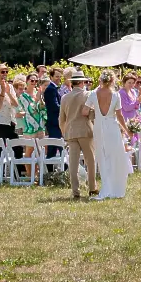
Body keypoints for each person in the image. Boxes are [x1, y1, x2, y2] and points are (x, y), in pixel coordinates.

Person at [88, 70, 130, 200]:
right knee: (115, 155)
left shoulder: (93, 94)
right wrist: (127, 130)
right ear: (112, 81)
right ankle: (115, 187)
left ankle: (106, 186)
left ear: (101, 80)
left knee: (102, 156)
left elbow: (85, 110)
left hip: (98, 127)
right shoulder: (116, 95)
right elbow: (119, 115)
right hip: (112, 127)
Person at [58, 70, 97, 199]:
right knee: (90, 161)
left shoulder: (64, 97)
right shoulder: (88, 95)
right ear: (81, 82)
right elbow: (92, 115)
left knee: (73, 163)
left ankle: (75, 191)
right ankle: (92, 188)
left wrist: (65, 132)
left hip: (70, 131)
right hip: (85, 130)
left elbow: (61, 119)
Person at [0, 65, 18, 151]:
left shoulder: (10, 86)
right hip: (0, 123)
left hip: (11, 121)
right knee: (0, 152)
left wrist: (8, 92)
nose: (5, 74)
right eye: (2, 72)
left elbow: (16, 104)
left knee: (16, 151)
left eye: (6, 72)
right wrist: (3, 92)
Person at [42, 68, 63, 153]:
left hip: (55, 122)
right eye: (56, 76)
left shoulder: (54, 88)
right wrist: (66, 109)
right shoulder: (51, 89)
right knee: (58, 146)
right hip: (54, 122)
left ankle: (51, 165)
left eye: (60, 76)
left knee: (53, 148)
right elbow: (55, 106)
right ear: (51, 77)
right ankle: (65, 165)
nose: (58, 78)